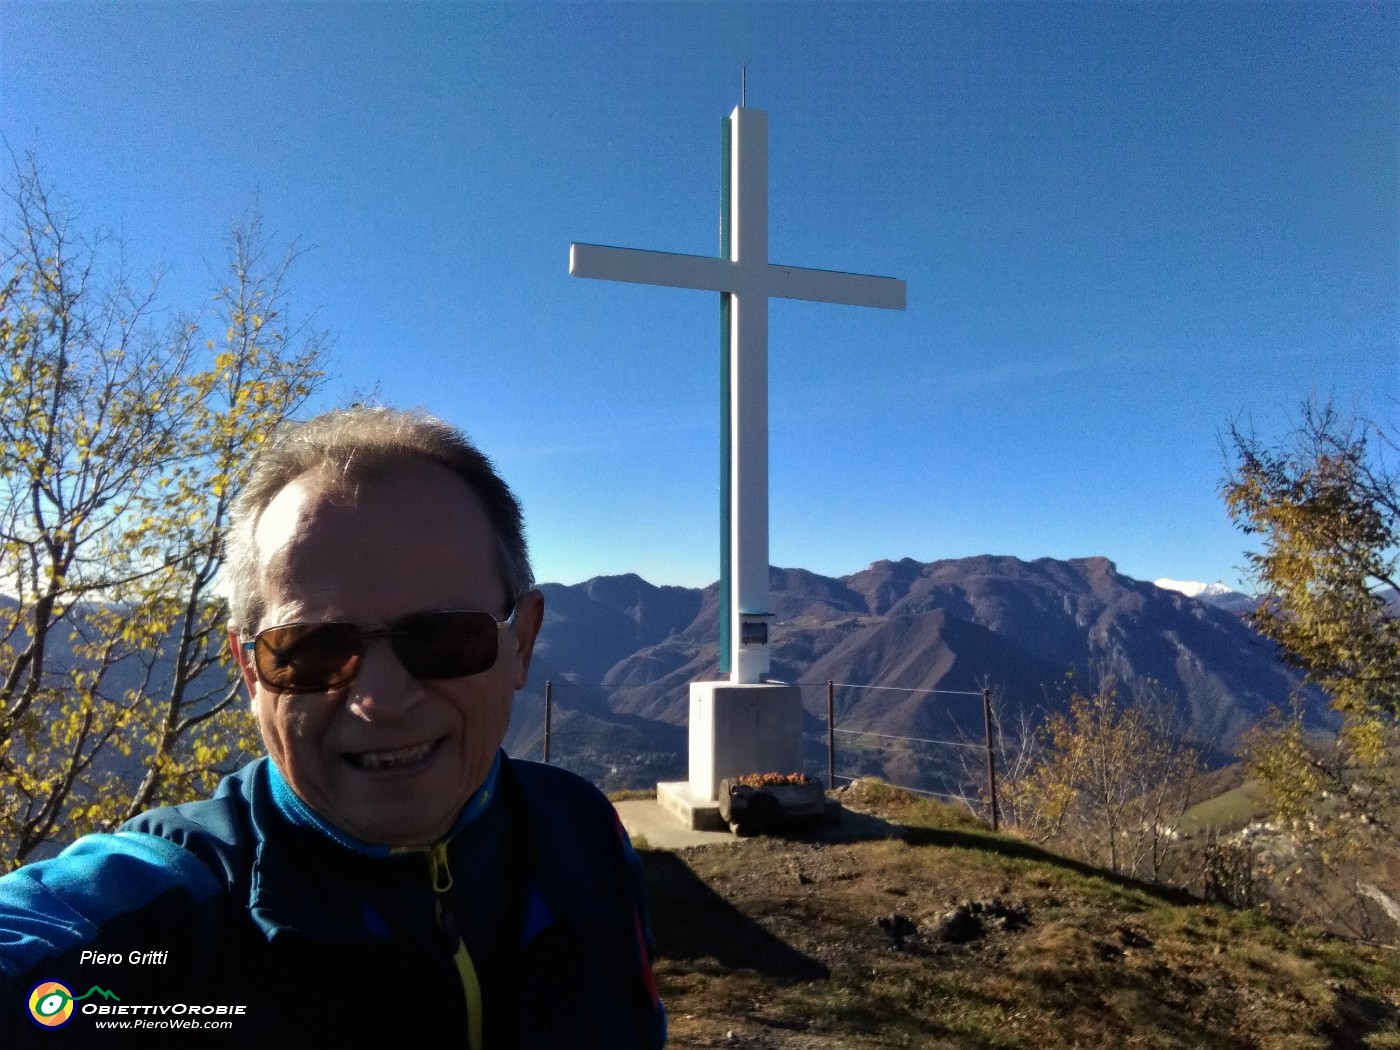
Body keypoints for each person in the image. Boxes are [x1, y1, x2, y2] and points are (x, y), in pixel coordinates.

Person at [0, 407, 667, 1047]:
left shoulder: (583, 831)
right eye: (313, 649)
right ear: (250, 671)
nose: (379, 698)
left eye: (443, 637)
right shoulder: (179, 902)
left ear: (521, 645)